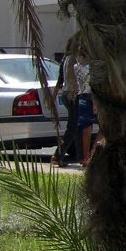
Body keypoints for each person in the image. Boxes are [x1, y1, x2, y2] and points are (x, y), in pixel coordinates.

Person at [50, 35, 82, 166]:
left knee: (76, 127)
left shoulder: (65, 58)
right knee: (73, 127)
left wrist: (54, 96)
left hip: (66, 94)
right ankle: (58, 155)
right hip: (73, 95)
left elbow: (60, 80)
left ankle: (79, 155)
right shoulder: (74, 59)